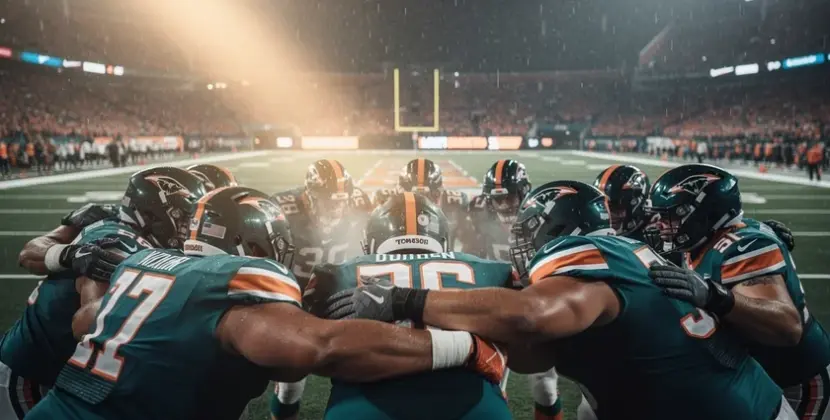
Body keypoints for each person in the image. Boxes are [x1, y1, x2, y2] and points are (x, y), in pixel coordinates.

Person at [319, 181, 796, 420]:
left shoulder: (585, 262)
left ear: (559, 231)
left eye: (528, 232)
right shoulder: (625, 253)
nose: (522, 245)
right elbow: (533, 356)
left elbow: (531, 318)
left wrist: (404, 299)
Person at [27, 187, 504, 420]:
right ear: (248, 243)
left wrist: (90, 273)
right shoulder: (232, 283)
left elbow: (85, 323)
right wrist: (461, 348)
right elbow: (321, 348)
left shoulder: (143, 263)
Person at [273, 192, 513, 420]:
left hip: (361, 407)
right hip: (477, 406)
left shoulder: (335, 273)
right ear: (443, 240)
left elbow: (295, 355)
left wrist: (285, 404)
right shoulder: (490, 270)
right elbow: (520, 340)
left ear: (372, 242)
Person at [1, 167, 205, 418]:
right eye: (183, 217)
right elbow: (88, 329)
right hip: (32, 374)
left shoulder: (119, 222)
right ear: (154, 213)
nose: (190, 228)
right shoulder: (116, 243)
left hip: (53, 365)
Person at [646, 164, 830, 419]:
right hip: (758, 374)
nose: (662, 225)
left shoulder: (744, 247)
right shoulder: (706, 241)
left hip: (794, 379)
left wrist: (714, 296)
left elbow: (787, 327)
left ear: (706, 213)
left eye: (673, 215)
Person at [271, 159, 372, 287]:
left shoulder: (359, 202)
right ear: (311, 197)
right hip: (294, 287)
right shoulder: (283, 208)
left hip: (339, 286)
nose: (337, 207)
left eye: (342, 201)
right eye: (330, 202)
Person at [373, 158, 470, 247]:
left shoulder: (454, 203)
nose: (420, 201)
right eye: (414, 195)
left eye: (427, 196)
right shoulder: (387, 201)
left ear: (439, 191)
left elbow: (472, 242)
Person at [464, 159, 532, 261]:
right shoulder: (479, 212)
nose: (504, 205)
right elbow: (469, 253)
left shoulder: (539, 215)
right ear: (489, 200)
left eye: (510, 198)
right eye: (498, 199)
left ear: (523, 193)